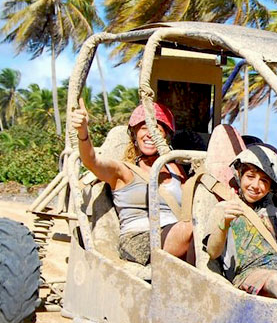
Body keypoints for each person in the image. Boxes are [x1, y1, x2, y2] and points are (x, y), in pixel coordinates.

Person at [71, 98, 193, 265]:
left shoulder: (175, 169)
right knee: (192, 229)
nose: (150, 133)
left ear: (167, 136)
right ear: (135, 135)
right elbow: (91, 161)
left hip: (176, 234)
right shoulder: (123, 171)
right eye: (144, 128)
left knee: (207, 227)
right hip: (139, 239)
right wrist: (83, 132)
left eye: (157, 129)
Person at [206, 144, 277, 302]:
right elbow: (212, 252)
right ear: (240, 176)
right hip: (248, 275)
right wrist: (225, 223)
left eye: (264, 181)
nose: (255, 186)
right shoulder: (223, 209)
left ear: (270, 188)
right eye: (250, 177)